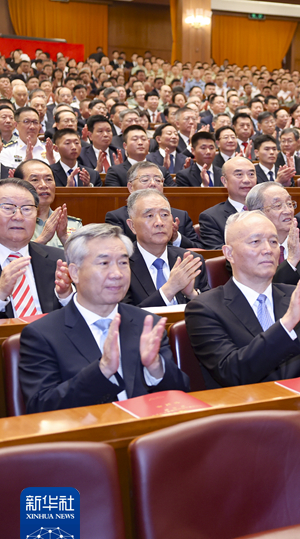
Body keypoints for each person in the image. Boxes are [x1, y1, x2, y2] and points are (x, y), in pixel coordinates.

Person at [19, 223, 189, 414]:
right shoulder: (42, 334)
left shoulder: (147, 323)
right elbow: (41, 407)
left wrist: (155, 368)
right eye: (104, 263)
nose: (117, 274)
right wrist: (102, 371)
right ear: (74, 273)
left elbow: (182, 393)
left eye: (123, 263)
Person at [184, 211, 300, 388]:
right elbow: (232, 372)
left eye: (273, 242)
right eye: (255, 242)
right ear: (229, 253)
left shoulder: (297, 296)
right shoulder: (204, 308)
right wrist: (287, 323)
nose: (268, 250)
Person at [122, 189, 209, 307]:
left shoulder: (190, 261)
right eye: (149, 215)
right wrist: (169, 289)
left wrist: (192, 295)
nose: (159, 222)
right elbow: (124, 314)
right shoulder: (121, 265)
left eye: (164, 215)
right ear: (132, 226)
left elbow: (212, 311)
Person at [0, 177, 72, 318]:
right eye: (8, 208)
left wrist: (66, 296)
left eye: (27, 209)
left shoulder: (59, 260)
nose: (18, 217)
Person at [106, 161, 202, 248]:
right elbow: (118, 250)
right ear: (130, 187)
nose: (153, 183)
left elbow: (198, 249)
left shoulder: (181, 215)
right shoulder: (117, 217)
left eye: (157, 180)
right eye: (145, 180)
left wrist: (175, 237)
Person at [15, 159, 82, 249]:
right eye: (35, 180)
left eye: (48, 179)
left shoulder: (72, 224)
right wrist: (42, 239)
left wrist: (64, 238)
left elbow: (84, 256)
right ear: (19, 186)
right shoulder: (13, 223)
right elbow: (11, 254)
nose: (44, 185)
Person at [198, 156, 256, 249]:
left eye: (251, 174)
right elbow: (217, 253)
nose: (246, 180)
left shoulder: (268, 210)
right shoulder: (211, 217)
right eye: (239, 174)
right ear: (224, 181)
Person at [0, 107, 47, 173]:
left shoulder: (50, 150)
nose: (32, 127)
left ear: (40, 125)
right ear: (16, 125)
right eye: (26, 122)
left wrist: (52, 160)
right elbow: (7, 177)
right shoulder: (6, 151)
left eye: (35, 122)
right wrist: (26, 162)